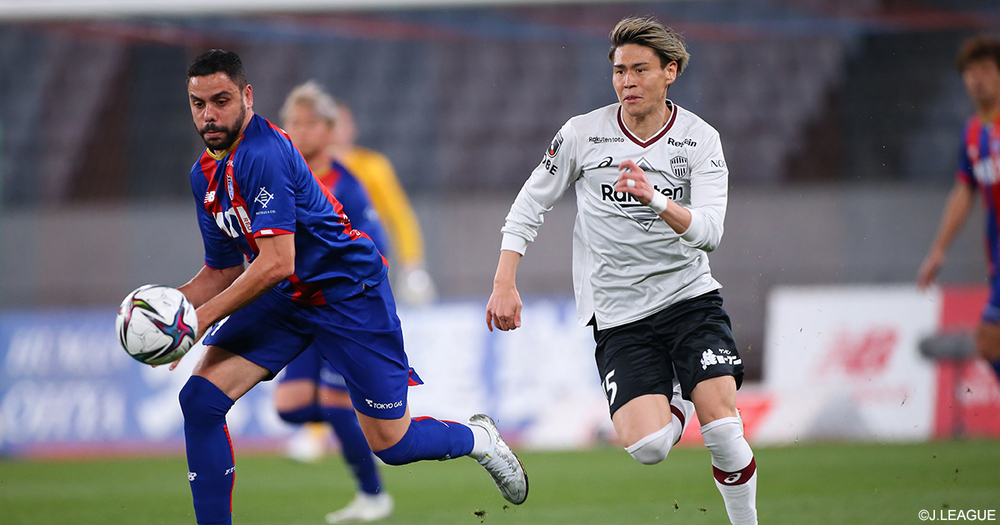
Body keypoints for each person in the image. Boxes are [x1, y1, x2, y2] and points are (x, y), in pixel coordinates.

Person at [173, 49, 527, 525]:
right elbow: (221, 270)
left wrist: (199, 319)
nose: (209, 115)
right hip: (289, 298)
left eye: (221, 100)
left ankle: (479, 439)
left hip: (348, 295)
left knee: (394, 445)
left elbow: (276, 261)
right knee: (200, 401)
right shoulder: (205, 174)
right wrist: (170, 312)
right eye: (199, 104)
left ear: (247, 96)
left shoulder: (264, 153)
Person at [485, 17, 756, 525]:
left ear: (670, 71)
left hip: (689, 299)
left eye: (639, 70)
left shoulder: (700, 140)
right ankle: (677, 394)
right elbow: (529, 204)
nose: (627, 81)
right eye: (618, 71)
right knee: (649, 447)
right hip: (618, 313)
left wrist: (656, 200)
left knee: (722, 429)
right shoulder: (582, 133)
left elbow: (710, 232)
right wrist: (504, 281)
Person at [273, 80, 393, 523]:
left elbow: (377, 250)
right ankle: (369, 421)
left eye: (310, 123)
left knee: (336, 404)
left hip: (344, 314)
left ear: (328, 130)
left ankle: (373, 495)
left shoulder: (348, 186)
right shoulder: (278, 182)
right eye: (293, 122)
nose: (300, 131)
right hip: (302, 311)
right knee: (291, 406)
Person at [919, 34, 1000, 386]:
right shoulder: (972, 133)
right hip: (996, 257)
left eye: (985, 69)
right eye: (970, 71)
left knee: (988, 339)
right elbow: (964, 191)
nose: (977, 78)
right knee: (990, 344)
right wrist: (938, 250)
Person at [328, 99, 437, 306]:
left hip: (364, 261)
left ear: (352, 128)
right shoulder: (305, 169)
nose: (336, 130)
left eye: (341, 123)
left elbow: (399, 216)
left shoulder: (373, 167)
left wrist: (412, 263)